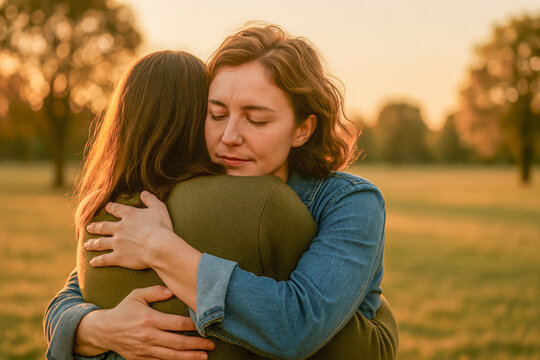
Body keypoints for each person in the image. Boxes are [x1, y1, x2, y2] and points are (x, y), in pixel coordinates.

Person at [45, 25, 398, 360]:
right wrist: (92, 327)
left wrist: (160, 248)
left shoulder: (348, 201)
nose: (229, 136)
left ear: (302, 129)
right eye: (216, 115)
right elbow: (79, 285)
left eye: (256, 120)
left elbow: (298, 325)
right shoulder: (181, 190)